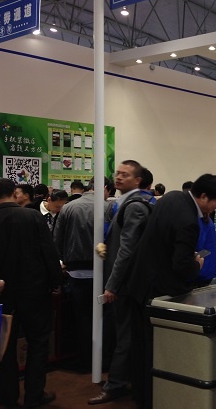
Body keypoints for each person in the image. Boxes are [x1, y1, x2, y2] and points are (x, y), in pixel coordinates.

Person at [128, 174, 216, 408]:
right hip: (157, 291)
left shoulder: (171, 198)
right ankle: (153, 399)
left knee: (140, 349)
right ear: (204, 197)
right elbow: (181, 265)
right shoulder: (189, 221)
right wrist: (197, 263)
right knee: (155, 352)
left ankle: (141, 396)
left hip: (139, 283)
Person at [0, 178, 61, 408]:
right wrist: (56, 282)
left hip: (1, 294)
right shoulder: (32, 216)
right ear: (14, 193)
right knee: (38, 343)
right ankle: (34, 396)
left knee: (4, 346)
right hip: (35, 292)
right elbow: (49, 252)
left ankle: (7, 396)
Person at [89, 160, 151, 405]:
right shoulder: (126, 203)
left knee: (124, 335)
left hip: (126, 284)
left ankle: (115, 384)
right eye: (118, 173)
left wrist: (112, 284)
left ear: (138, 180)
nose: (119, 177)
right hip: (127, 281)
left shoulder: (135, 206)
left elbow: (127, 250)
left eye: (125, 174)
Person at [53, 177, 113, 372]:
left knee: (82, 317)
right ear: (105, 188)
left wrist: (63, 260)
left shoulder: (69, 207)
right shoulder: (109, 208)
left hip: (76, 271)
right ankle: (103, 359)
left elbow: (58, 240)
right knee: (104, 317)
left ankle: (86, 359)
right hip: (103, 272)